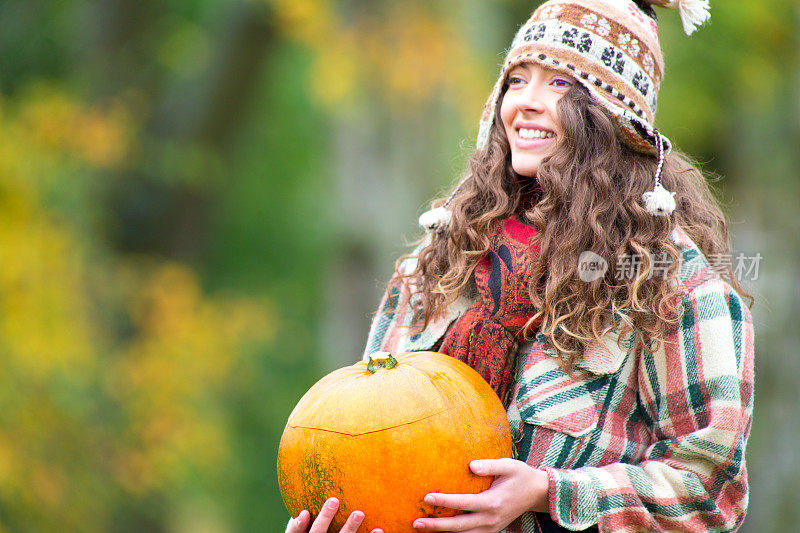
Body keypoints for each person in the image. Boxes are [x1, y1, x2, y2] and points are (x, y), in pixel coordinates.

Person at [286, 0, 755, 531]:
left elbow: (710, 494)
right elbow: (366, 433)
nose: (526, 103)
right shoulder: (436, 262)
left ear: (616, 119)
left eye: (561, 85)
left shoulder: (674, 287)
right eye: (517, 79)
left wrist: (547, 493)